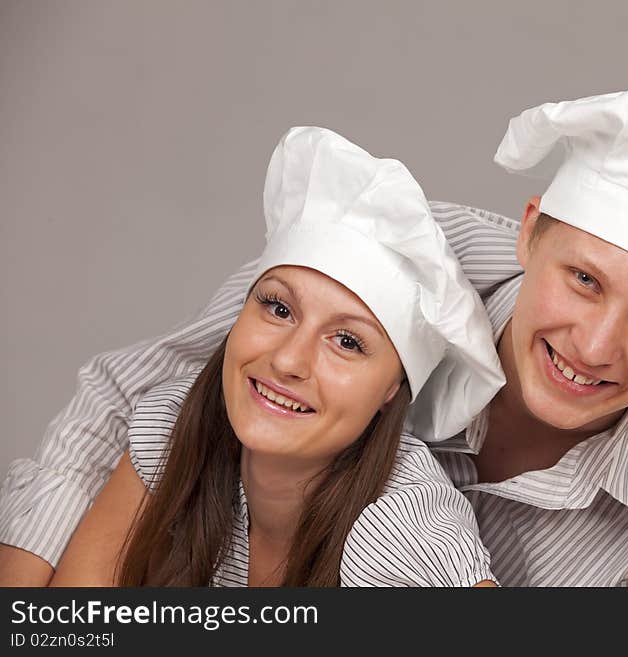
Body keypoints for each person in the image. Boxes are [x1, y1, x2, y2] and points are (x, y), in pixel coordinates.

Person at [0, 74, 628, 586]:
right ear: (530, 233)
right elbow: (139, 400)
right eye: (582, 280)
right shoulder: (378, 260)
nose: (593, 345)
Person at [41, 126, 505, 586]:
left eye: (347, 341)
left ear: (392, 389)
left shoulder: (398, 535)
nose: (288, 361)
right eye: (279, 308)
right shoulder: (176, 424)